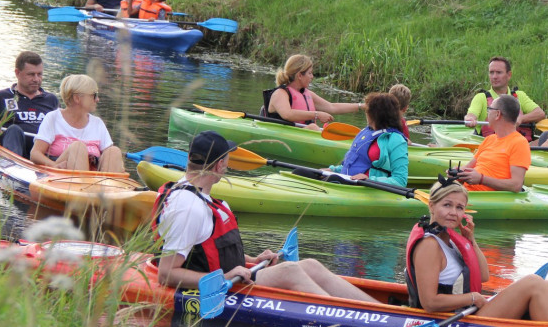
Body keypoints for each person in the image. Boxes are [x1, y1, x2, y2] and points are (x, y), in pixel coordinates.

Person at [154, 130, 380, 302]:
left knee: (310, 264)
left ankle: (380, 310)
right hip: (222, 286)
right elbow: (166, 274)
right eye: (227, 159)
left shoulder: (202, 197)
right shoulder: (188, 208)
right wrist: (225, 276)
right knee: (290, 270)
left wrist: (252, 261)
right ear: (220, 165)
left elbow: (207, 252)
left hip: (232, 276)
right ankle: (355, 319)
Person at [404, 179, 548, 320]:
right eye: (447, 205)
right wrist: (473, 298)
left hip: (468, 311)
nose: (453, 213)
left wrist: (470, 241)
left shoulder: (452, 240)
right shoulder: (429, 245)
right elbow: (429, 303)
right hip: (451, 318)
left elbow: (483, 275)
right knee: (533, 283)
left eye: (459, 207)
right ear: (432, 205)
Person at [30, 74, 125, 173]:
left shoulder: (98, 123)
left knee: (114, 152)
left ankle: (109, 187)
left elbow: (109, 159)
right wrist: (54, 166)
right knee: (78, 148)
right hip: (59, 175)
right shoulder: (53, 118)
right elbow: (35, 154)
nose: (97, 99)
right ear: (77, 98)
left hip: (94, 179)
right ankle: (81, 185)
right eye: (94, 95)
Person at [0, 52, 59, 157]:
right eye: (31, 74)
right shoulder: (1, 97)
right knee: (14, 129)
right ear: (17, 73)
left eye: (39, 74)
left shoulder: (51, 100)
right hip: (13, 153)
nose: (36, 79)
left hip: (43, 155)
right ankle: (12, 166)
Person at [326, 92, 409, 187]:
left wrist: (370, 180)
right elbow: (352, 164)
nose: (366, 113)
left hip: (368, 189)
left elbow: (400, 180)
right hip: (347, 183)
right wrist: (333, 170)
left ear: (375, 114)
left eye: (367, 110)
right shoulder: (365, 132)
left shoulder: (395, 139)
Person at [264, 54, 364, 130]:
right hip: (284, 134)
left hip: (305, 133)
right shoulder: (280, 93)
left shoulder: (308, 94)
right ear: (299, 75)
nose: (312, 77)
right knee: (313, 127)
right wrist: (317, 114)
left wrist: (361, 106)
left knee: (322, 128)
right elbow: (288, 114)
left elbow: (332, 107)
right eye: (310, 73)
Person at [454, 95, 529, 193]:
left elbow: (516, 185)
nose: (487, 113)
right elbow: (468, 168)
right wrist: (457, 173)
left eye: (489, 109)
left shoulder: (519, 143)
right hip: (466, 192)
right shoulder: (489, 139)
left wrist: (481, 179)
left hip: (485, 198)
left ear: (497, 114)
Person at [463, 57, 545, 142]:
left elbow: (540, 114)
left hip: (522, 146)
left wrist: (521, 118)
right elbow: (471, 115)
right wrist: (470, 119)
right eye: (491, 72)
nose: (494, 76)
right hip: (492, 148)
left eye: (499, 72)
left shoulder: (520, 95)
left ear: (509, 75)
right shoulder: (481, 97)